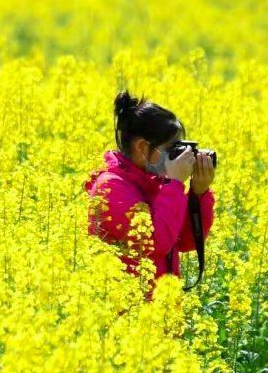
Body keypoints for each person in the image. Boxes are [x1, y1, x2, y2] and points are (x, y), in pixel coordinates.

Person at [84, 90, 215, 301]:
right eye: (172, 148)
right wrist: (174, 184)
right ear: (142, 147)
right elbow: (155, 243)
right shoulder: (110, 188)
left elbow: (185, 242)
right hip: (127, 317)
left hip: (160, 315)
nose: (180, 156)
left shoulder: (154, 183)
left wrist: (198, 194)